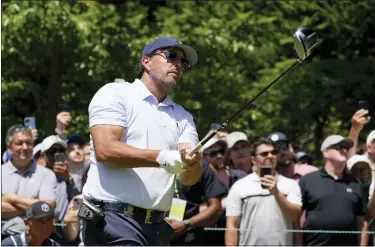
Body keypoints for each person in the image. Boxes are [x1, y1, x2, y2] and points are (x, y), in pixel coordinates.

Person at [81, 36, 202, 246]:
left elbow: (189, 179)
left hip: (158, 229)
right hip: (113, 220)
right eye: (171, 55)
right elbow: (106, 151)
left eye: (183, 61)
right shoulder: (115, 94)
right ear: (146, 61)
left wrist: (191, 162)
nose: (178, 64)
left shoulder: (183, 117)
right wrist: (162, 157)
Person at [225, 137, 302, 246]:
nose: (270, 156)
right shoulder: (240, 186)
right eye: (264, 154)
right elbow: (231, 225)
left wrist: (277, 193)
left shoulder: (290, 185)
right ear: (253, 160)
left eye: (273, 152)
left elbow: (295, 217)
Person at [299, 135, 368, 246]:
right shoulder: (308, 180)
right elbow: (296, 218)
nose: (344, 150)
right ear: (326, 152)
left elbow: (362, 223)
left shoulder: (356, 183)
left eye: (346, 147)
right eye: (340, 146)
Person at [1, 125, 57, 238]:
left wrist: (12, 198)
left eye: (29, 143)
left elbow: (48, 207)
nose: (25, 147)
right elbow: (42, 208)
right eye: (19, 143)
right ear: (9, 147)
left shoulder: (46, 174)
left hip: (36, 239)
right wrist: (35, 207)